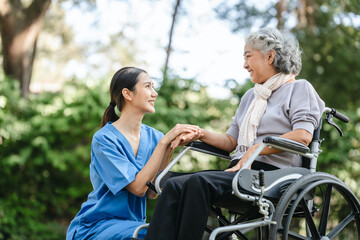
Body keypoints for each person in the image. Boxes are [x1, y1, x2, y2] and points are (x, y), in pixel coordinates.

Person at [145, 28, 325, 240]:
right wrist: (200, 133)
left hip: (275, 175)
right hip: (240, 171)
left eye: (248, 56)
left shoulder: (299, 88)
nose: (244, 65)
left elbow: (303, 135)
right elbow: (231, 142)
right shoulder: (251, 97)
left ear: (270, 56)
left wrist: (256, 149)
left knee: (198, 182)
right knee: (173, 183)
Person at [66, 67, 201, 240]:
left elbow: (152, 192)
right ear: (127, 94)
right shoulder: (104, 139)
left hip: (133, 225)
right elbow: (138, 188)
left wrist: (169, 148)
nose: (155, 93)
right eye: (148, 86)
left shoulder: (155, 137)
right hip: (98, 225)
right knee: (159, 232)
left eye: (153, 86)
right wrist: (163, 144)